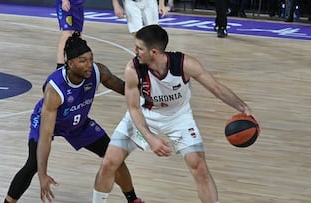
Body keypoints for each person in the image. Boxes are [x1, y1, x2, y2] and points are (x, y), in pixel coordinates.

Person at [93, 24, 259, 203]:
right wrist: (150, 138)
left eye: (140, 48)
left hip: (178, 117)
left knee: (200, 168)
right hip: (146, 114)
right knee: (109, 162)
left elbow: (217, 88)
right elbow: (134, 109)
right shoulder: (133, 69)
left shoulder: (185, 64)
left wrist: (243, 108)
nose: (135, 51)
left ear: (154, 52)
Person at [4, 32, 143, 203]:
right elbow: (46, 136)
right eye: (83, 61)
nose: (89, 65)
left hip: (78, 124)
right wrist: (43, 175)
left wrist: (149, 88)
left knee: (113, 157)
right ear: (70, 63)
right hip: (49, 123)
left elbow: (124, 88)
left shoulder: (98, 72)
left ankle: (133, 199)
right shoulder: (55, 89)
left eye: (90, 59)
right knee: (33, 164)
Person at [55, 0, 85, 69]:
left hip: (78, 5)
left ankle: (73, 62)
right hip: (66, 3)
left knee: (77, 35)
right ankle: (60, 66)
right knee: (67, 34)